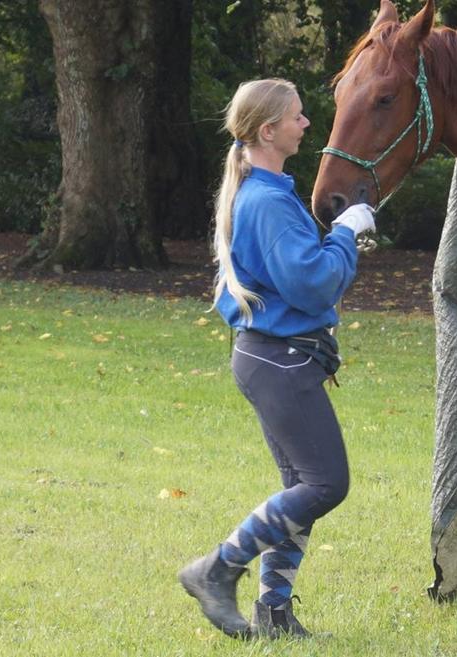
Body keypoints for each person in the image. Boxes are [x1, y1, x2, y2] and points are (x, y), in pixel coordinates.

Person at [178, 78, 376, 640]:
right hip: (280, 363)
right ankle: (216, 570)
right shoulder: (266, 201)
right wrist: (344, 232)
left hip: (271, 360)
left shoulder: (265, 191)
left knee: (300, 488)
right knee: (324, 484)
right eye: (297, 116)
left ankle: (274, 614)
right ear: (269, 130)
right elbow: (314, 284)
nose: (307, 123)